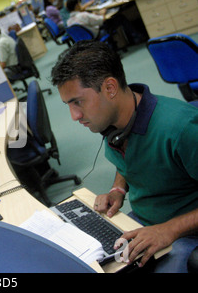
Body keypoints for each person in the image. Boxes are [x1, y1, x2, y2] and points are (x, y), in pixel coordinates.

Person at [50, 40, 198, 272]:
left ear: (110, 88)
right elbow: (133, 157)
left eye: (78, 102)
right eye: (68, 105)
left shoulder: (182, 128)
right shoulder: (114, 126)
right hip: (142, 221)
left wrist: (168, 229)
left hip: (183, 233)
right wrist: (118, 189)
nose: (74, 116)